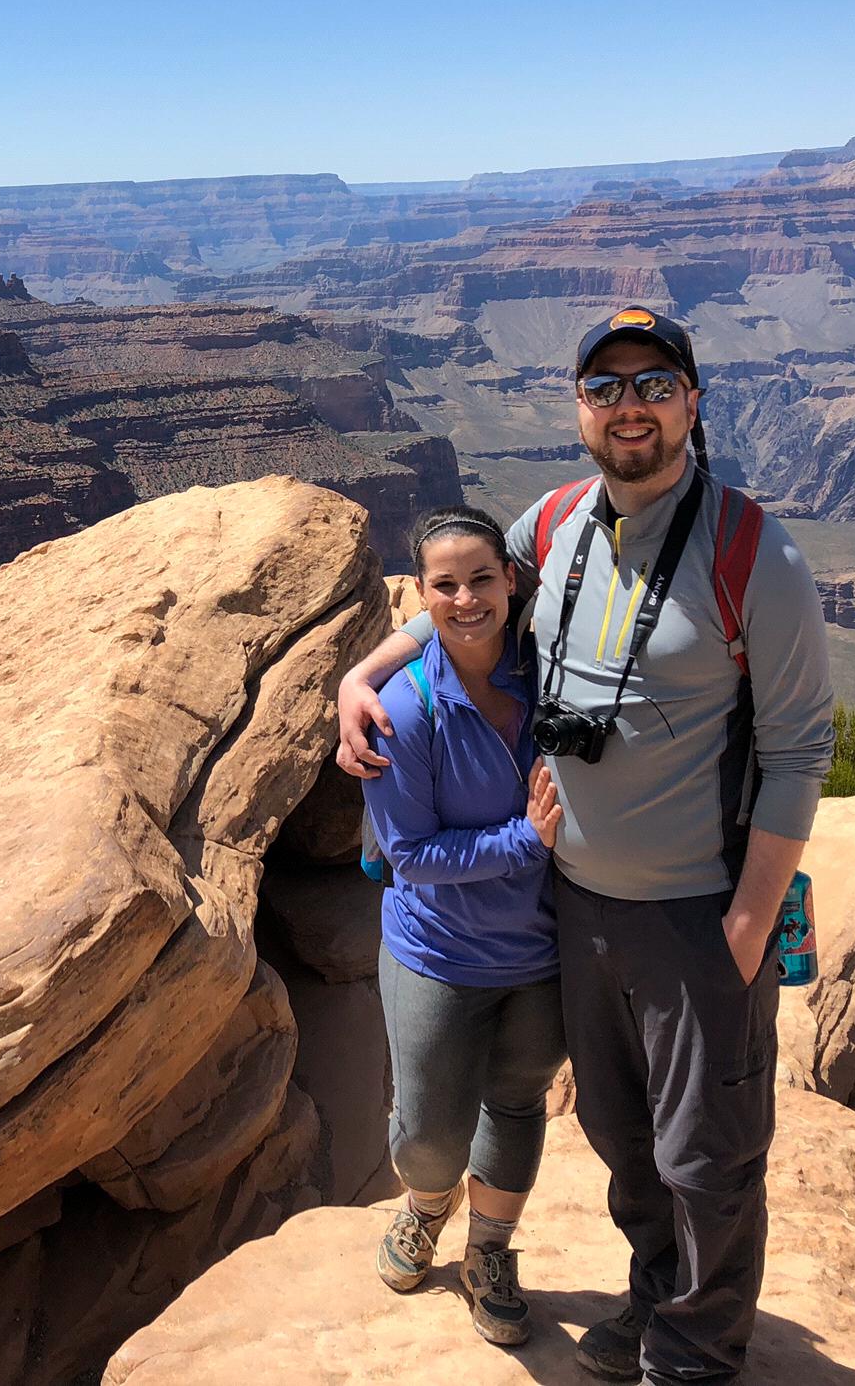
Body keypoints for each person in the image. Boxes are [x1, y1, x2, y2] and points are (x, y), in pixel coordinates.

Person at [336, 308, 834, 1384]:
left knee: (705, 1154)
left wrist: (745, 925)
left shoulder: (755, 551)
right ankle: (654, 1296)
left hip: (695, 911)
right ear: (578, 410)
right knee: (621, 1137)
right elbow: (461, 596)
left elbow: (800, 749)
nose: (629, 407)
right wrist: (362, 675)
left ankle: (694, 1354)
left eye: (653, 384)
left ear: (690, 404)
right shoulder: (554, 520)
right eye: (605, 388)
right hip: (574, 906)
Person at [362, 503, 568, 1348]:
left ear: (510, 580)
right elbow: (409, 853)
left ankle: (489, 1254)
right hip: (438, 951)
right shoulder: (403, 711)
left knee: (517, 1104)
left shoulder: (547, 670)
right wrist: (527, 839)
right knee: (427, 1135)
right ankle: (425, 1206)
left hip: (542, 952)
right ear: (420, 594)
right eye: (445, 585)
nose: (467, 598)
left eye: (483, 578)